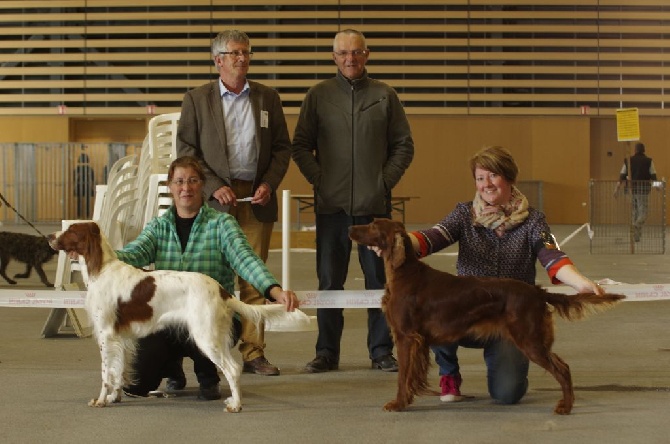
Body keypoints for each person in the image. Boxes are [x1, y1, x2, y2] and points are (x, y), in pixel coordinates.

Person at [406, 146, 603, 405]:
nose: (486, 184)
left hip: (512, 316)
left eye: (493, 176)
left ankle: (511, 369)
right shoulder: (464, 214)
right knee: (434, 309)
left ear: (509, 178)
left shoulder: (534, 220)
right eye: (480, 178)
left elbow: (552, 255)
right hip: (466, 313)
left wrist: (581, 282)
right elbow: (433, 237)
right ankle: (449, 374)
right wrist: (400, 241)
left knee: (508, 394)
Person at [118, 156, 299, 400]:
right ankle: (172, 368)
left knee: (203, 339)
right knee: (141, 384)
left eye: (193, 180)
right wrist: (97, 252)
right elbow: (132, 254)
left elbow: (246, 260)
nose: (186, 187)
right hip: (168, 317)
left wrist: (275, 291)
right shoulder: (158, 227)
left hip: (214, 315)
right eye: (179, 181)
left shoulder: (222, 223)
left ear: (203, 184)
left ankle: (208, 374)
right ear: (170, 187)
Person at [291, 29, 414, 373]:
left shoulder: (385, 96)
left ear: (367, 54)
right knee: (330, 282)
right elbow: (300, 146)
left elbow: (404, 146)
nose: (350, 58)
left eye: (356, 52)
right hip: (331, 209)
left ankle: (380, 351)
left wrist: (383, 182)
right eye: (343, 53)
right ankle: (327, 351)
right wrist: (321, 179)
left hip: (375, 212)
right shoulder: (318, 96)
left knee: (381, 282)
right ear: (334, 57)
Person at [177, 30, 291, 376]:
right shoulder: (196, 99)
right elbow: (186, 150)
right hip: (213, 200)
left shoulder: (267, 98)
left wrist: (269, 183)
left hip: (257, 199)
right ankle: (205, 351)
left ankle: (254, 352)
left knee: (255, 277)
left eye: (246, 53)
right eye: (235, 53)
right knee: (209, 277)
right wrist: (212, 186)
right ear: (218, 61)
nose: (242, 59)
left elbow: (283, 148)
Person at [614, 142, 658, 242]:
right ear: (644, 150)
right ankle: (636, 226)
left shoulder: (628, 161)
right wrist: (658, 187)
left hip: (630, 190)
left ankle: (636, 237)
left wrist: (616, 189)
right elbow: (654, 176)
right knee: (643, 213)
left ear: (635, 150)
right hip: (643, 190)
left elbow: (622, 175)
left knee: (635, 212)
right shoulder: (648, 161)